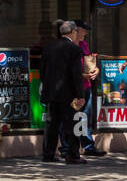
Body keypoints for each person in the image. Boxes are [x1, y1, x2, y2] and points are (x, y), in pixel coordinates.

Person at [41, 20, 87, 164]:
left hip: (52, 94)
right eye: (76, 32)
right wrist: (80, 95)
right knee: (74, 124)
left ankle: (48, 154)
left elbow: (43, 71)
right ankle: (72, 155)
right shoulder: (74, 49)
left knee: (51, 125)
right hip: (69, 95)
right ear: (73, 32)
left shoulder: (49, 47)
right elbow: (76, 75)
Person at [61, 20, 105, 157]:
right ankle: (66, 148)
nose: (86, 33)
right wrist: (83, 76)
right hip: (71, 88)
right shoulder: (66, 46)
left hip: (85, 86)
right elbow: (65, 70)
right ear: (76, 30)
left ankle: (88, 146)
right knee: (68, 118)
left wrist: (95, 70)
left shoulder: (84, 45)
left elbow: (88, 63)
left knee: (84, 117)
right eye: (84, 30)